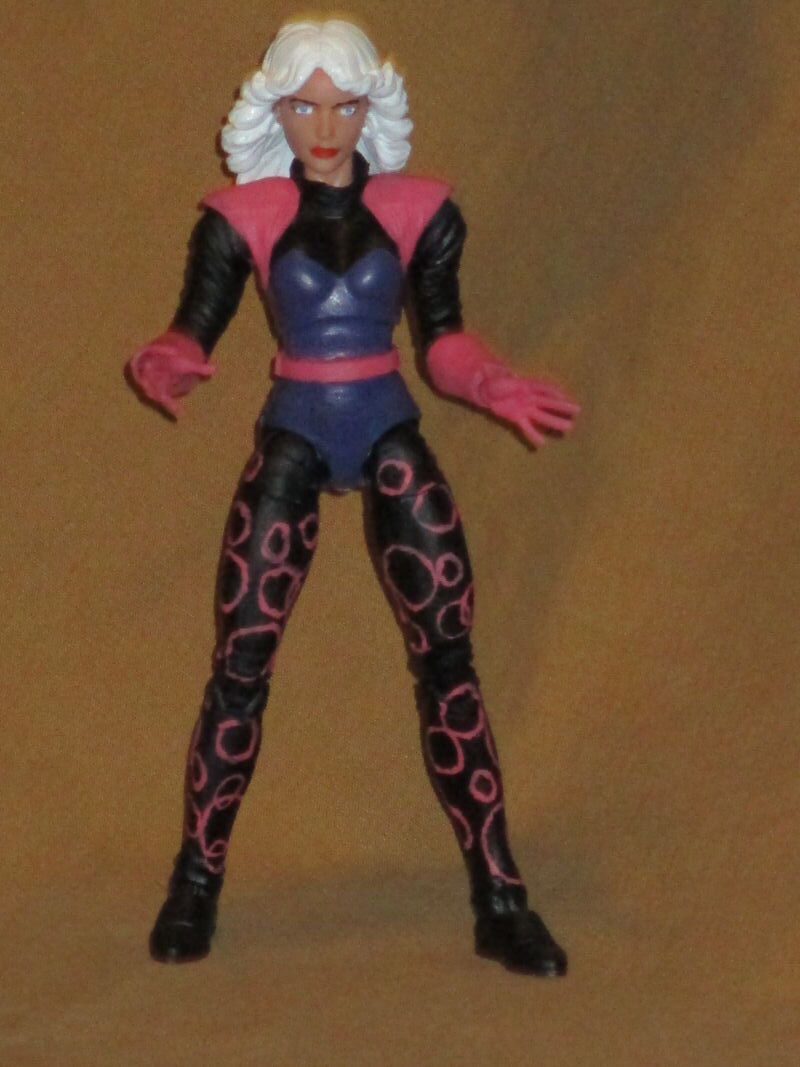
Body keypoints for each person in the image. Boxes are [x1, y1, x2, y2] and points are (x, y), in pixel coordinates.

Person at [127, 19, 579, 976]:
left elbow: (442, 340)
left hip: (384, 422)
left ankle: (501, 894)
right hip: (295, 428)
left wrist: (489, 379)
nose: (325, 127)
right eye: (304, 106)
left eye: (343, 105)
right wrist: (168, 357)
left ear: (373, 106)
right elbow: (194, 326)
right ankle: (194, 881)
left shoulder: (421, 209)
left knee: (449, 658)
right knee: (241, 660)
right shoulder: (242, 216)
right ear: (276, 109)